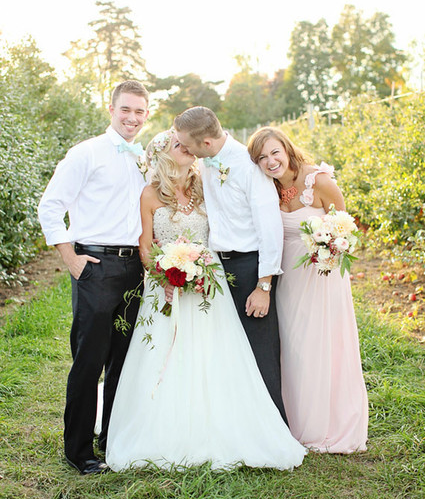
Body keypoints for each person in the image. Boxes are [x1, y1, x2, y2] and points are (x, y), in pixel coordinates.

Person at [106, 129, 306, 471]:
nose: (186, 147)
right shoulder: (150, 194)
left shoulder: (204, 186)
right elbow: (145, 246)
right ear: (162, 155)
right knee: (166, 356)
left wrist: (200, 268)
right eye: (177, 144)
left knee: (217, 354)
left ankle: (225, 422)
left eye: (187, 143)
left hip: (208, 283)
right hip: (166, 286)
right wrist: (164, 276)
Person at [38, 80, 149, 474]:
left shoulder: (145, 158)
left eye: (139, 111)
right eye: (126, 109)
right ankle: (79, 450)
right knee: (89, 360)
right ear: (111, 108)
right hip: (96, 266)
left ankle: (112, 439)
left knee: (123, 359)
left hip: (134, 269)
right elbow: (50, 206)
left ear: (146, 114)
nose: (132, 118)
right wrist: (71, 259)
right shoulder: (86, 153)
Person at [247, 126, 368, 453]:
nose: (271, 161)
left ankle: (332, 424)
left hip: (323, 276)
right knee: (294, 346)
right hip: (288, 278)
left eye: (275, 152)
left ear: (287, 149)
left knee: (323, 343)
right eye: (262, 157)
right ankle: (299, 422)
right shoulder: (266, 188)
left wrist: (329, 248)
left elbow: (345, 228)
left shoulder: (319, 181)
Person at [173, 107, 287, 423]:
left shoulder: (248, 168)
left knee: (260, 351)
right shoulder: (206, 162)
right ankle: (239, 424)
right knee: (230, 351)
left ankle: (274, 427)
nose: (184, 150)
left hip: (251, 268)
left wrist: (264, 287)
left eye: (187, 145)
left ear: (206, 143)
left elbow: (270, 231)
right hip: (218, 268)